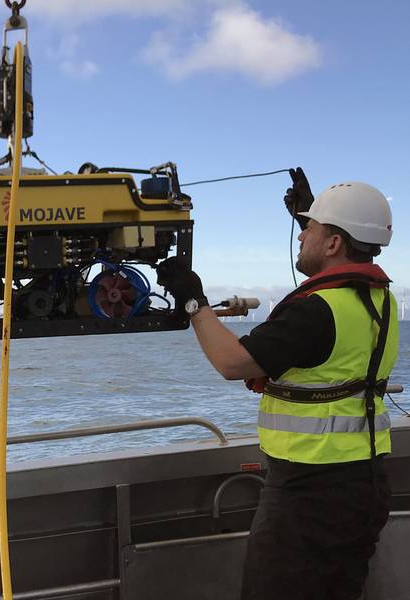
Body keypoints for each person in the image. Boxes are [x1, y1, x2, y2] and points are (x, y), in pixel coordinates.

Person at [156, 169, 398, 600]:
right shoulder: (380, 298)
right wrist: (310, 213)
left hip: (313, 493)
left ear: (335, 243)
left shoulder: (316, 312)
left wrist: (193, 299)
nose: (301, 237)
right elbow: (333, 285)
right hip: (365, 481)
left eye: (311, 230)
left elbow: (233, 363)